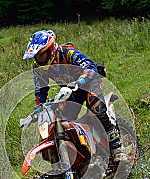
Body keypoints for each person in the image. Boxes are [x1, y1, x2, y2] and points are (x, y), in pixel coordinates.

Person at [22, 29, 124, 162]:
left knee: (98, 109)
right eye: (36, 56)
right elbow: (40, 91)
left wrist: (78, 82)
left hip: (88, 83)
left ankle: (117, 148)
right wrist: (36, 111)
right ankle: (80, 157)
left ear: (50, 50)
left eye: (40, 55)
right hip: (71, 90)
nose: (38, 59)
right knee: (62, 122)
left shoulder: (68, 53)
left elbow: (90, 66)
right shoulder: (38, 67)